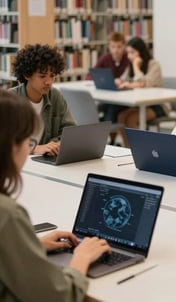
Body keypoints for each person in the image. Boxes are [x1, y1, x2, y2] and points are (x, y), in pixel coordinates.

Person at [0, 89, 111, 301]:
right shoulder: (8, 215)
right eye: (29, 143)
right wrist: (82, 258)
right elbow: (58, 296)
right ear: (11, 146)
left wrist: (30, 247)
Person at [11, 44, 75, 156]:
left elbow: (70, 132)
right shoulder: (10, 100)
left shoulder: (55, 96)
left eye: (52, 75)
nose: (49, 82)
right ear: (27, 74)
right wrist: (34, 148)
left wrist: (54, 145)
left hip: (46, 160)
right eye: (42, 76)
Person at [115, 37, 169, 144]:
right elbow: (122, 79)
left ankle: (137, 151)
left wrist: (136, 66)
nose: (129, 56)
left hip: (157, 105)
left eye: (132, 52)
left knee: (131, 119)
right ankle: (128, 150)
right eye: (128, 53)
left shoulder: (154, 65)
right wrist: (119, 81)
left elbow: (143, 83)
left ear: (141, 52)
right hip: (141, 105)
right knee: (121, 117)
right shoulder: (130, 66)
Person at [87, 32, 131, 123]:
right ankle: (104, 129)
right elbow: (91, 75)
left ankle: (106, 130)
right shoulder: (105, 58)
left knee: (111, 109)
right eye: (113, 47)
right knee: (98, 108)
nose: (116, 50)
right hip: (110, 96)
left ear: (124, 46)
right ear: (109, 47)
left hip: (126, 97)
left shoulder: (129, 58)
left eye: (119, 46)